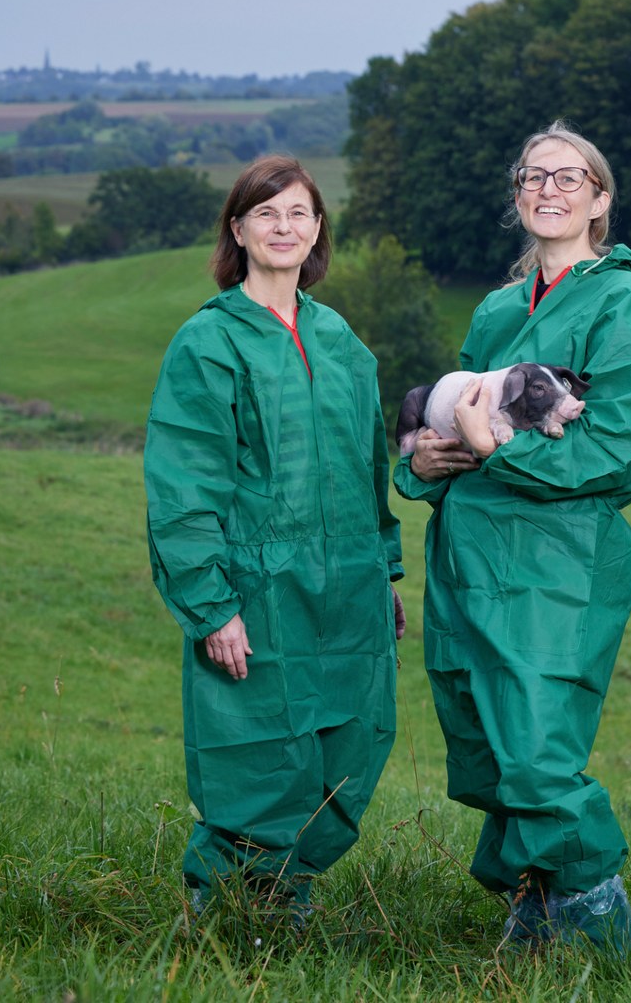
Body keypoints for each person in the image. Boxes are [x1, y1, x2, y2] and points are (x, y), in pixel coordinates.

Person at [394, 122, 631, 956]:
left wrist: (498, 452)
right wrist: (430, 458)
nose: (548, 190)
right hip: (466, 561)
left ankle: (597, 921)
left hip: (557, 565)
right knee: (486, 751)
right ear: (518, 195)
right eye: (533, 176)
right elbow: (444, 423)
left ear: (600, 198)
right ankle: (537, 908)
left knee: (535, 750)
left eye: (569, 177)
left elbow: (624, 442)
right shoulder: (496, 309)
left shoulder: (628, 297)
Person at [144, 155, 406, 921]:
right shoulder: (209, 342)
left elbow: (369, 467)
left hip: (349, 586)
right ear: (239, 230)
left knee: (345, 750)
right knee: (259, 756)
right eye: (266, 213)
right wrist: (210, 604)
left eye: (298, 213)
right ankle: (226, 916)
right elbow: (184, 488)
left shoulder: (341, 341)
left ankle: (286, 897)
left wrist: (385, 572)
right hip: (256, 593)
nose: (283, 227)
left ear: (318, 228)